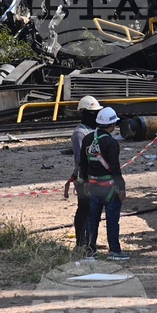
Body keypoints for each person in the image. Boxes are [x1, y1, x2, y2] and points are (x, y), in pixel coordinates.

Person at [79, 106, 129, 261]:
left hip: (93, 186)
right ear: (112, 125)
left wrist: (86, 182)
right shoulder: (111, 143)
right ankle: (114, 250)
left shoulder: (87, 139)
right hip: (109, 188)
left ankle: (90, 250)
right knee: (112, 220)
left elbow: (83, 163)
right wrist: (121, 187)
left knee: (92, 219)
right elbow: (115, 168)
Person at [65, 96, 101, 254]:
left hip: (97, 176)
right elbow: (81, 159)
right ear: (85, 113)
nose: (96, 116)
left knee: (94, 211)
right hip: (84, 178)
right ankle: (81, 243)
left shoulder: (96, 130)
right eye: (93, 113)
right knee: (84, 209)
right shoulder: (80, 133)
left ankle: (91, 241)